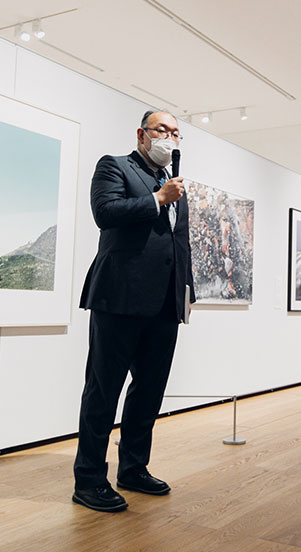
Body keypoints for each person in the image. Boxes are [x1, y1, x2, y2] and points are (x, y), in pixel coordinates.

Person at [72, 110, 195, 513]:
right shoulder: (114, 167)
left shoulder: (175, 184)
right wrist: (158, 199)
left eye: (176, 133)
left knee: (149, 391)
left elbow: (180, 244)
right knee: (103, 390)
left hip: (164, 304)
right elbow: (104, 214)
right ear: (142, 134)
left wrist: (185, 292)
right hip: (119, 298)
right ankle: (89, 479)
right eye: (163, 130)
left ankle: (133, 468)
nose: (170, 138)